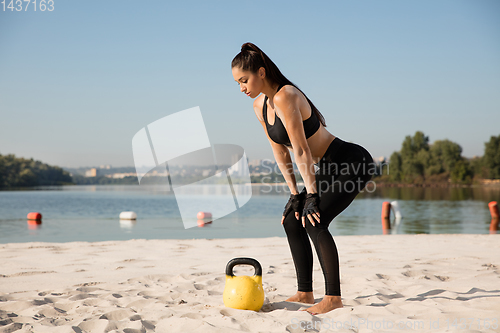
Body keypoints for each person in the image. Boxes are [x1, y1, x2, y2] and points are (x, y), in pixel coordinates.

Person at [231, 42, 375, 315]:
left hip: (351, 161)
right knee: (291, 220)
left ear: (261, 72)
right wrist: (295, 194)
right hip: (326, 167)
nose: (242, 88)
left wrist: (310, 196)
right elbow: (280, 153)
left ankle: (333, 297)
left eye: (244, 80)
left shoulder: (286, 96)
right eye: (238, 83)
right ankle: (306, 292)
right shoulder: (259, 106)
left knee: (314, 218)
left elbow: (301, 149)